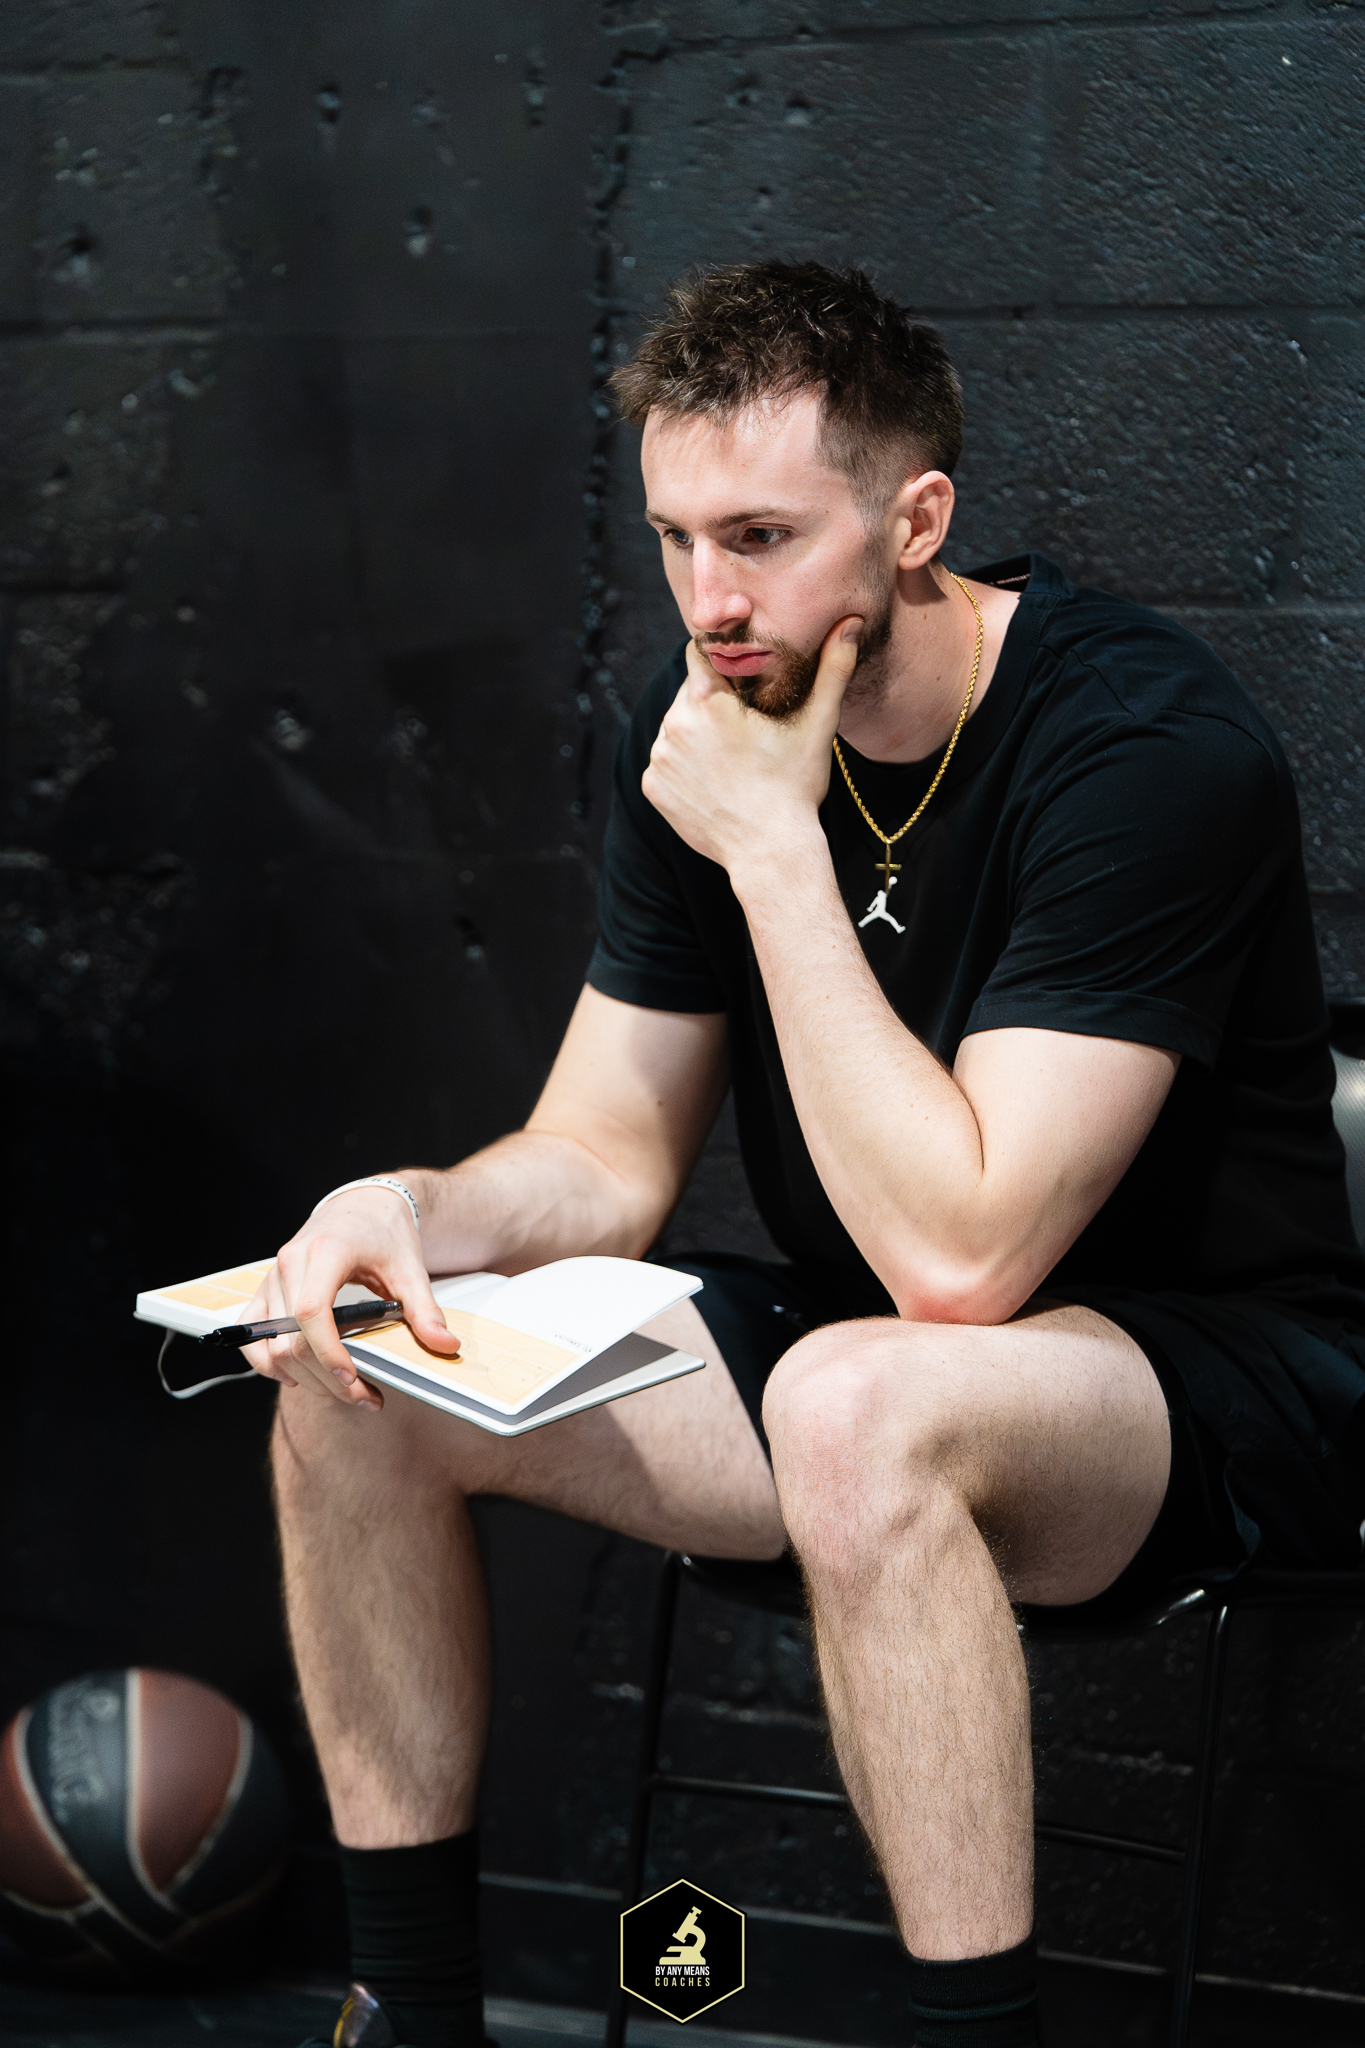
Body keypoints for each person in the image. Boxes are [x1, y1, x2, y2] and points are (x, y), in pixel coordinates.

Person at [248, 261, 1365, 2048]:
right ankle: (409, 2016)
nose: (710, 602)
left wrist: (774, 853)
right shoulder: (710, 725)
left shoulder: (1142, 747)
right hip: (868, 1355)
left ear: (915, 521)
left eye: (759, 538)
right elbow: (604, 1155)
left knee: (859, 1397)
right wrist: (406, 1207)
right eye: (676, 540)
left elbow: (964, 1264)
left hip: (1207, 1381)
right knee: (356, 1372)